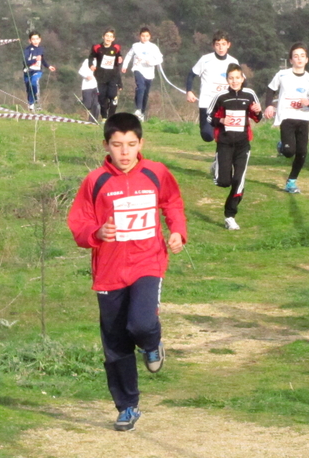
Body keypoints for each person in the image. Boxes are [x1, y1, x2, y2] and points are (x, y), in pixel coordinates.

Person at [67, 113, 187, 431]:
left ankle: (151, 342)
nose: (124, 152)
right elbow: (78, 223)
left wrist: (177, 231)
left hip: (149, 262)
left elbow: (172, 202)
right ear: (105, 145)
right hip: (108, 271)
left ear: (141, 144)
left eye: (131, 145)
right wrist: (97, 233)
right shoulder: (95, 181)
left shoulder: (156, 173)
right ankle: (127, 406)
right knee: (116, 341)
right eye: (117, 145)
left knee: (142, 322)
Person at [207, 64, 262, 230]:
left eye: (237, 77)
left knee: (239, 180)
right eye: (231, 78)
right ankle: (216, 166)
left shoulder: (249, 94)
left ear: (242, 78)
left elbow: (257, 117)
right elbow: (209, 117)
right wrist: (221, 120)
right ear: (227, 80)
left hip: (243, 144)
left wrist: (258, 111)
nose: (234, 81)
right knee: (224, 182)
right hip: (224, 143)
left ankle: (230, 216)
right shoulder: (221, 97)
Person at [263, 43, 309, 193]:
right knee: (289, 152)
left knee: (302, 152)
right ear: (291, 60)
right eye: (296, 56)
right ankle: (282, 146)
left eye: (302, 56)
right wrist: (269, 105)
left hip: (303, 118)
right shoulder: (282, 75)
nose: (299, 59)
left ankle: (291, 182)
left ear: (307, 60)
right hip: (287, 117)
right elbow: (270, 90)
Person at [186, 31, 239, 142]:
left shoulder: (233, 62)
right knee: (207, 136)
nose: (221, 48)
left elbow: (241, 82)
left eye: (223, 44)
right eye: (218, 44)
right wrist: (189, 91)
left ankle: (221, 156)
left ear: (228, 45)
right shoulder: (205, 59)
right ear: (213, 45)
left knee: (227, 136)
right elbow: (191, 75)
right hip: (207, 103)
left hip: (226, 104)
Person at [122, 27, 164, 122]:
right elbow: (129, 55)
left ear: (150, 37)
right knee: (140, 87)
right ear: (139, 36)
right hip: (138, 69)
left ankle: (142, 113)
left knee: (145, 92)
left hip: (149, 72)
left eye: (147, 36)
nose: (144, 38)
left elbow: (160, 59)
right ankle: (138, 109)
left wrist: (151, 62)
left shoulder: (153, 47)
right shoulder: (135, 46)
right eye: (143, 36)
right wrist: (125, 66)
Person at [89, 29, 123, 121]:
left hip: (113, 75)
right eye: (107, 36)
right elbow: (91, 57)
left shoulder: (116, 47)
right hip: (100, 76)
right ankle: (104, 117)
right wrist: (91, 65)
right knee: (101, 97)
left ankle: (111, 116)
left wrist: (120, 58)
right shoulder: (97, 47)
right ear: (103, 37)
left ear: (113, 39)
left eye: (110, 37)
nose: (108, 38)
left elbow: (119, 56)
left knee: (111, 95)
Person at [22, 31, 56, 111]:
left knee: (34, 82)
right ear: (29, 40)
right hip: (27, 71)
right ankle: (31, 104)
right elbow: (25, 62)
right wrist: (34, 60)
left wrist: (48, 66)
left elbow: (42, 59)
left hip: (37, 71)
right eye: (33, 39)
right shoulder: (27, 50)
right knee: (29, 88)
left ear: (40, 39)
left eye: (37, 39)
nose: (35, 41)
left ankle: (35, 101)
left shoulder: (41, 49)